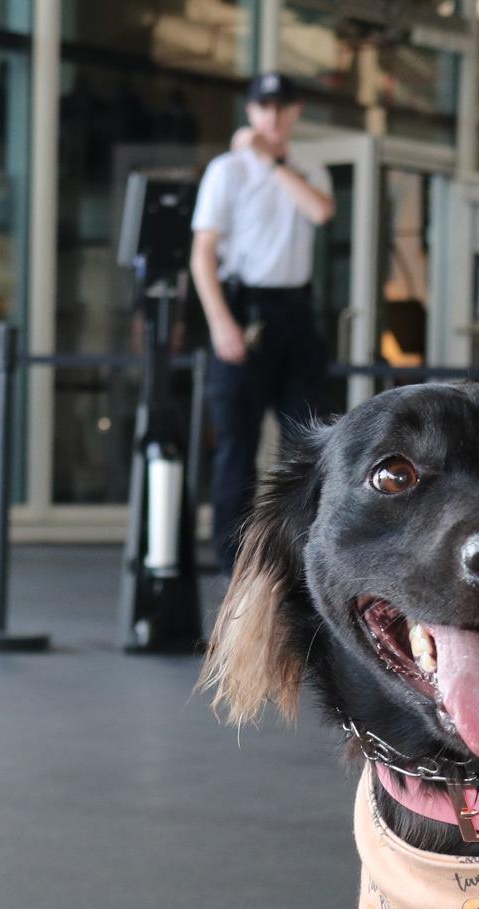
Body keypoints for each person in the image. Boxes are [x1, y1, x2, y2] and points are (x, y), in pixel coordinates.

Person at [189, 72, 335, 565]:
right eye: (263, 107)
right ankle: (232, 559)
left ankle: (298, 552)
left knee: (305, 440)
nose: (272, 116)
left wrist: (275, 163)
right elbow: (202, 253)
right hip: (243, 307)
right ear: (251, 112)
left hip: (295, 309)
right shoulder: (227, 170)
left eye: (281, 107)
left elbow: (319, 212)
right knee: (237, 440)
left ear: (294, 112)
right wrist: (220, 322)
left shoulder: (308, 168)